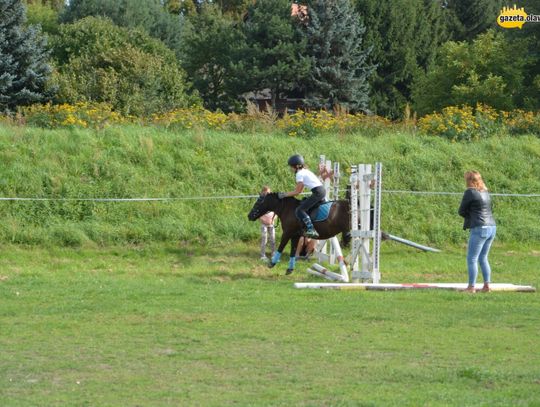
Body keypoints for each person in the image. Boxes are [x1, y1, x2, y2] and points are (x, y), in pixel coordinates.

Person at [458, 171, 496, 293]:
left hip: (480, 228)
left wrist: (471, 216)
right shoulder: (485, 191)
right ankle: (487, 286)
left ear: (469, 180)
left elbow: (461, 211)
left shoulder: (470, 192)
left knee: (472, 259)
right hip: (492, 227)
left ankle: (471, 287)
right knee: (483, 257)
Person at [278, 154, 325, 238]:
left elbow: (297, 192)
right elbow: (301, 190)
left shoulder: (299, 174)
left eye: (291, 167)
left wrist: (284, 194)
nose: (290, 169)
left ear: (296, 166)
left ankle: (311, 229)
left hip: (317, 192)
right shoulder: (305, 171)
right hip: (321, 191)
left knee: (300, 210)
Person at [259, 186, 276, 261]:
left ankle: (273, 254)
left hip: (271, 223)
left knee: (272, 239)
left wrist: (273, 219)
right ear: (263, 192)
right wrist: (262, 219)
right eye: (266, 192)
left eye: (269, 192)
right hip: (264, 224)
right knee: (264, 239)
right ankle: (263, 255)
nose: (268, 194)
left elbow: (276, 212)